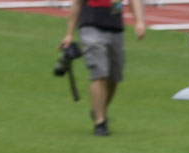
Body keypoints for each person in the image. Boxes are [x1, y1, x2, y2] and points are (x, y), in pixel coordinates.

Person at [61, 0, 146, 136]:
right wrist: (69, 34)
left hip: (115, 26)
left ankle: (98, 109)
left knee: (114, 77)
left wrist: (140, 21)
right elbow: (77, 3)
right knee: (99, 72)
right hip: (90, 25)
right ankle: (100, 122)